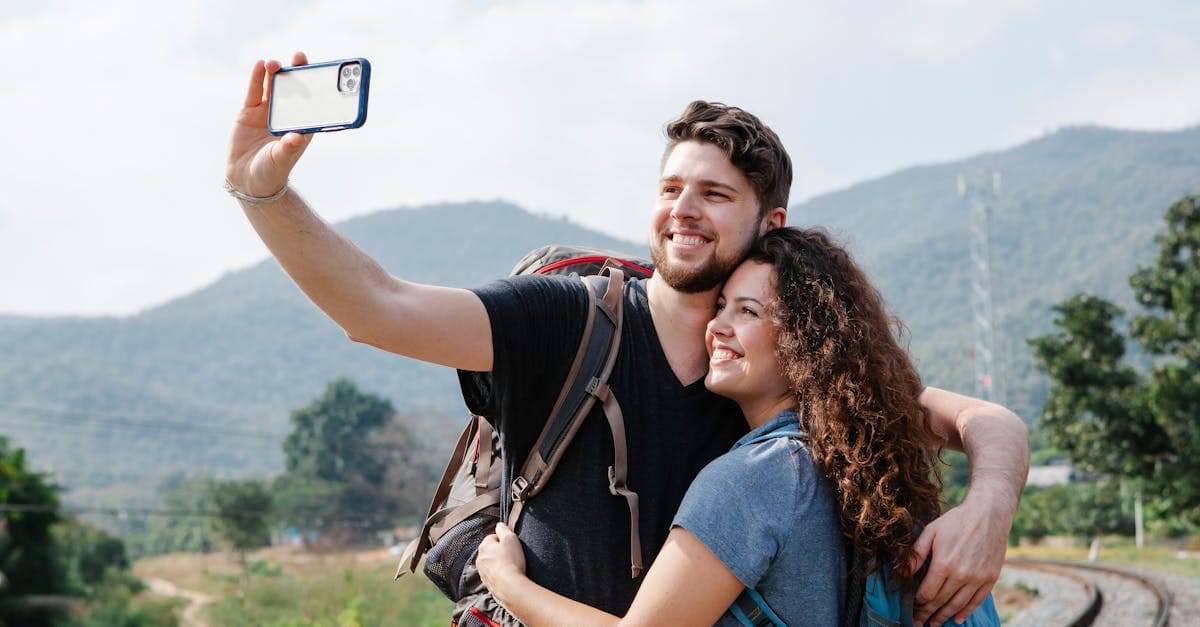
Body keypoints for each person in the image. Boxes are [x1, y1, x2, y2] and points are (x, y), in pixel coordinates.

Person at [225, 52, 1029, 626]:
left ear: (768, 224)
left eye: (714, 193)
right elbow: (377, 306)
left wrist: (987, 512)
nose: (684, 208)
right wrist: (262, 195)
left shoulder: (775, 371)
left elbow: (988, 423)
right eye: (671, 186)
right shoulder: (567, 321)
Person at [475, 227, 980, 625]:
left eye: (748, 311)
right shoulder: (855, 462)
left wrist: (508, 585)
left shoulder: (754, 478)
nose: (717, 326)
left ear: (806, 344)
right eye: (721, 306)